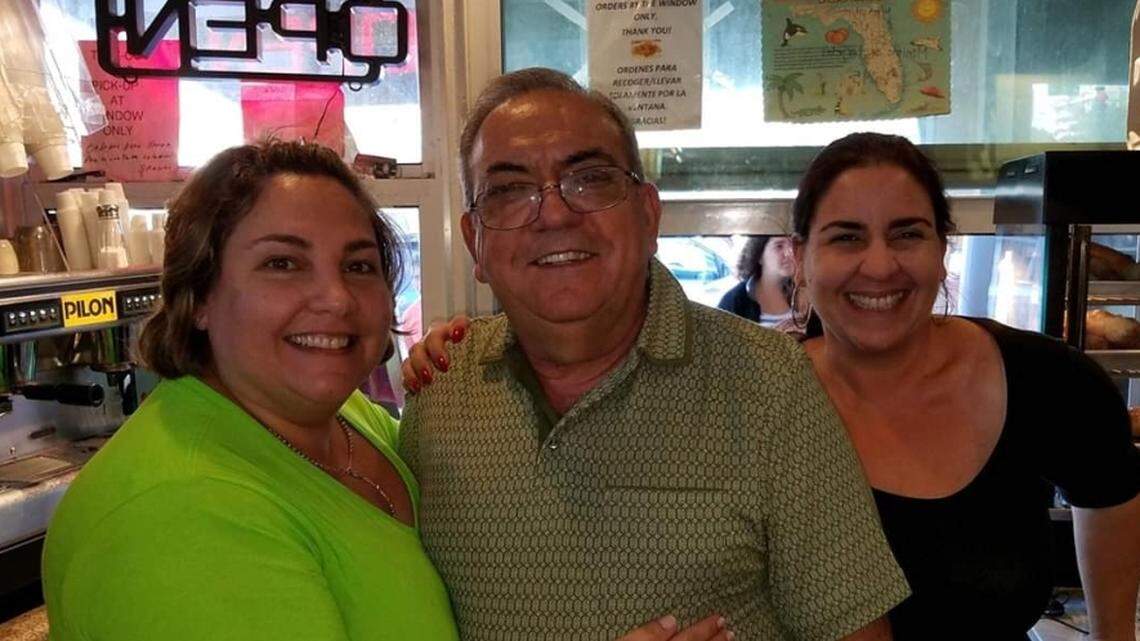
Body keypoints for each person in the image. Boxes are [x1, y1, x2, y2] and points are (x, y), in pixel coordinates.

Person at [40, 140, 725, 641]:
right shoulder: (177, 516)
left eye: (359, 265)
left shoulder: (351, 421)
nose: (336, 298)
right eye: (283, 263)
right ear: (199, 297)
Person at [397, 67, 908, 641]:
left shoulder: (769, 385)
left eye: (589, 179)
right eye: (509, 190)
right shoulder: (439, 392)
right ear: (476, 244)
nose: (556, 213)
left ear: (648, 215)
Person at [789, 133, 1140, 640]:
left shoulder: (1046, 379)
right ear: (800, 257)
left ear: (942, 249)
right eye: (847, 237)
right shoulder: (761, 400)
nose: (881, 265)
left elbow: (1111, 495)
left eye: (907, 234)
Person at [716, 235, 796, 328]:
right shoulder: (735, 301)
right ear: (759, 255)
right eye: (779, 246)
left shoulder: (806, 292)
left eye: (792, 245)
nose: (790, 253)